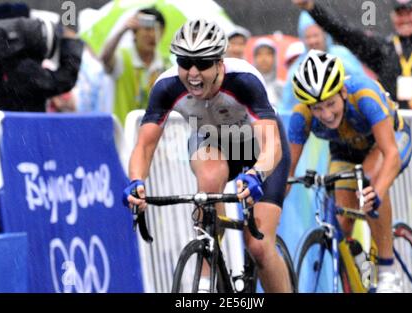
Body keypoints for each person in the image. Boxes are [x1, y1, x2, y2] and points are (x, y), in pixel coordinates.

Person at [123, 19, 292, 293]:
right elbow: (143, 146)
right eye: (184, 62)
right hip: (213, 142)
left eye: (202, 64)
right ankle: (205, 279)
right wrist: (135, 181)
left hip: (259, 148)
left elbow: (271, 145)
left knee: (259, 247)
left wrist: (256, 173)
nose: (192, 73)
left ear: (219, 63)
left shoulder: (244, 80)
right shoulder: (167, 86)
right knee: (209, 182)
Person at [288, 50, 412, 293]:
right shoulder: (300, 116)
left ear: (343, 92)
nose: (326, 114)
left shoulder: (364, 95)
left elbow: (391, 154)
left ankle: (388, 272)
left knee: (370, 184)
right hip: (345, 151)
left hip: (388, 142)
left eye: (331, 104)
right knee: (341, 223)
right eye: (317, 109)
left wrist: (376, 193)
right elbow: (287, 171)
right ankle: (362, 265)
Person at [291, 0, 412, 111]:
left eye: (409, 13)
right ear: (392, 16)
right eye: (400, 14)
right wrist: (311, 7)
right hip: (395, 130)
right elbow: (343, 31)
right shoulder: (382, 50)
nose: (405, 19)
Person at [279, 10, 366, 114]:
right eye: (308, 37)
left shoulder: (343, 55)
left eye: (315, 35)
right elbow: (287, 109)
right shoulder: (297, 69)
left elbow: (362, 83)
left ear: (325, 35)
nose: (312, 41)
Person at [101, 8, 169, 125]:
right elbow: (105, 58)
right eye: (147, 28)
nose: (151, 34)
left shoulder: (166, 65)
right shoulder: (122, 58)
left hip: (153, 136)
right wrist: (123, 29)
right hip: (123, 135)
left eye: (156, 29)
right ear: (134, 32)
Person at [253, 37, 285, 107]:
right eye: (259, 54)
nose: (264, 58)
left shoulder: (282, 87)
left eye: (268, 54)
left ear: (275, 58)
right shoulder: (247, 86)